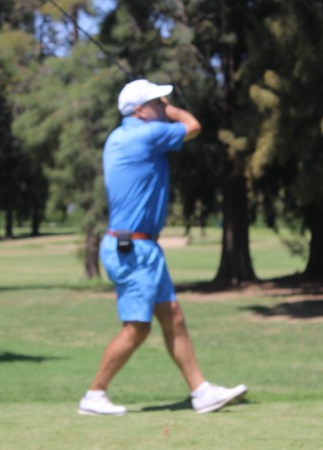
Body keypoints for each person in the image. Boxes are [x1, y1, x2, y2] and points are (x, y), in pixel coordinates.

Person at [78, 79, 248, 416]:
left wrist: (158, 105)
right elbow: (193, 125)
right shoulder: (147, 134)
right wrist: (171, 109)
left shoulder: (118, 137)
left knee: (174, 318)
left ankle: (201, 392)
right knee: (137, 328)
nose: (163, 106)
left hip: (139, 248)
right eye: (157, 102)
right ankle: (94, 395)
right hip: (133, 250)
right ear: (141, 111)